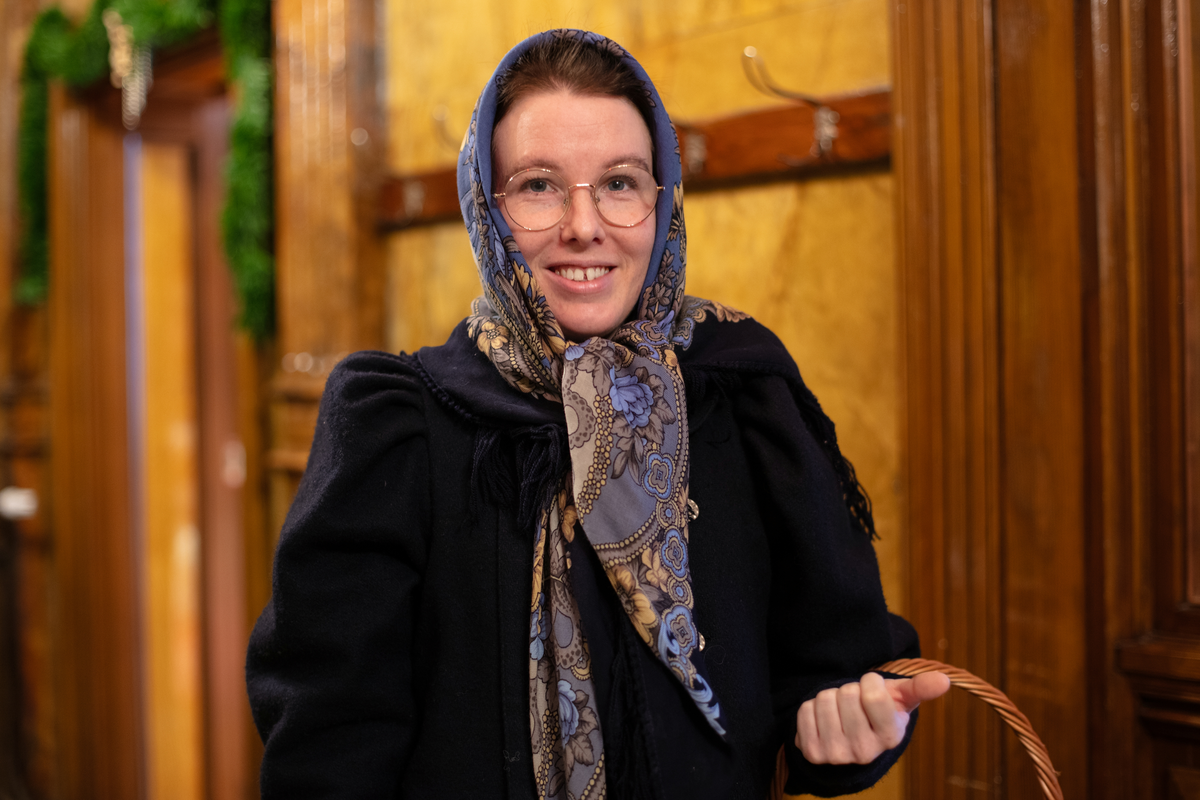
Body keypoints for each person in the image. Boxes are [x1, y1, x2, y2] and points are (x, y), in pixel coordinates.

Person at [246, 29, 949, 800]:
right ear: (486, 208)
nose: (584, 225)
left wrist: (848, 729)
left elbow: (831, 679)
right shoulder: (399, 426)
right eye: (538, 186)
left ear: (662, 200)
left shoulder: (743, 396)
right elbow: (329, 751)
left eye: (619, 182)